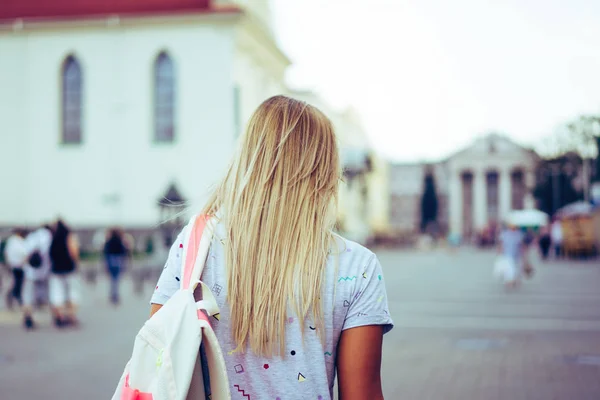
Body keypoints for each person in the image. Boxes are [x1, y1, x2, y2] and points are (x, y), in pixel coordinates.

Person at [150, 96, 394, 400]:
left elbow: (156, 358)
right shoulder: (356, 267)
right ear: (325, 172)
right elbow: (362, 395)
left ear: (247, 159)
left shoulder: (197, 245)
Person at [49, 219, 80, 327]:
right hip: (69, 269)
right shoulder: (69, 236)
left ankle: (60, 316)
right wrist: (76, 263)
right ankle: (71, 316)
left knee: (57, 293)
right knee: (72, 292)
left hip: (56, 270)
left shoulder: (53, 237)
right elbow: (74, 252)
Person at [21, 225, 53, 329]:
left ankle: (28, 317)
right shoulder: (49, 237)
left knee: (28, 296)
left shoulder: (31, 237)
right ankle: (57, 316)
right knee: (48, 295)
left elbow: (25, 255)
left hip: (30, 272)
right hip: (44, 272)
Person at [103, 227, 129, 305]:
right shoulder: (120, 240)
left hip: (110, 260)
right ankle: (115, 294)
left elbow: (105, 252)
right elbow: (124, 251)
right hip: (118, 261)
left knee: (112, 279)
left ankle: (112, 294)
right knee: (116, 279)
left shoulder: (108, 241)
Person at [3, 228, 28, 310]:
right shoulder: (17, 241)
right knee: (15, 285)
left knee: (16, 284)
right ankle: (13, 301)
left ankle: (12, 302)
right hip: (16, 266)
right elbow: (24, 253)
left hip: (15, 266)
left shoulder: (12, 241)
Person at [498, 223, 525, 288]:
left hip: (516, 254)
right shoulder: (505, 234)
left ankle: (514, 280)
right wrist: (500, 251)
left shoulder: (519, 234)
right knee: (509, 268)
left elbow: (521, 245)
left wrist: (523, 253)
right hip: (507, 254)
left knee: (516, 268)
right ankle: (509, 281)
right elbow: (501, 243)